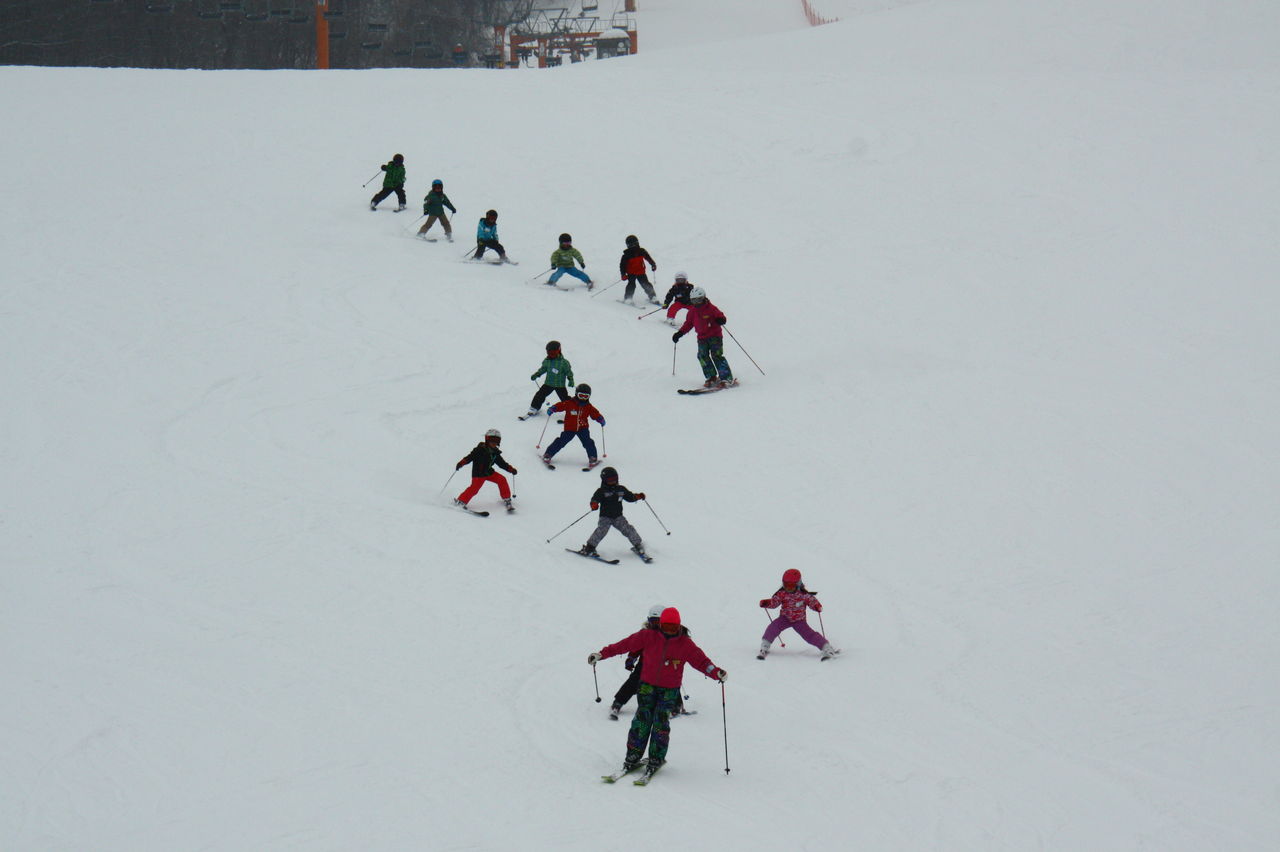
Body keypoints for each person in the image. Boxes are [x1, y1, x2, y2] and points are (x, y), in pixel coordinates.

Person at [589, 607, 726, 776]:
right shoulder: (648, 636)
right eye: (666, 626)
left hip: (669, 690)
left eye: (673, 627)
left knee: (661, 723)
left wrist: (717, 673)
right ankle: (633, 755)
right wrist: (601, 654)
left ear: (679, 626)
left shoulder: (685, 644)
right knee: (641, 721)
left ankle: (656, 758)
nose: (669, 630)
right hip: (647, 686)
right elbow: (623, 645)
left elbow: (702, 662)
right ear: (660, 624)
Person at [758, 568, 839, 660]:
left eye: (791, 586)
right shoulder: (782, 594)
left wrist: (816, 606)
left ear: (798, 584)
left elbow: (812, 601)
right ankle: (765, 646)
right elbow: (774, 602)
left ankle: (826, 648)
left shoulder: (803, 595)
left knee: (810, 635)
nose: (788, 588)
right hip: (784, 618)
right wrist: (766, 603)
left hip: (799, 621)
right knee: (773, 628)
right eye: (786, 585)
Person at [672, 286, 737, 389]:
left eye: (698, 300)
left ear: (703, 298)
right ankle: (711, 377)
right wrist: (679, 333)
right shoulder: (692, 311)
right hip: (701, 338)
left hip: (715, 336)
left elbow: (721, 316)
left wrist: (721, 319)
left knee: (716, 355)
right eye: (694, 300)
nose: (696, 303)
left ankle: (726, 378)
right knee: (702, 356)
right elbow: (688, 324)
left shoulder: (711, 308)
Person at [576, 466, 647, 560]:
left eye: (614, 479)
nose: (612, 481)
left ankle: (638, 545)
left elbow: (630, 497)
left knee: (628, 529)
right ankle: (590, 547)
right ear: (604, 480)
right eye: (610, 480)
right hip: (605, 517)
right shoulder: (601, 491)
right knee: (601, 531)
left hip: (618, 516)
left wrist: (638, 496)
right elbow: (595, 499)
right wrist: (594, 504)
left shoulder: (621, 489)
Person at [609, 604, 664, 718]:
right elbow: (636, 646)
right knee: (634, 681)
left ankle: (676, 705)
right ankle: (618, 702)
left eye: (658, 621)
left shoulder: (668, 635)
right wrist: (631, 658)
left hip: (663, 665)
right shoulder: (645, 633)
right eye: (653, 621)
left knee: (669, 682)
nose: (655, 624)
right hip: (645, 664)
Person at [453, 428, 517, 512]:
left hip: (489, 472)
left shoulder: (495, 453)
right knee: (474, 489)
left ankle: (507, 499)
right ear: (487, 439)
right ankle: (461, 501)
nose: (494, 443)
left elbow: (502, 464)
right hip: (478, 474)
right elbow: (469, 457)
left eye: (496, 441)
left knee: (502, 479)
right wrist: (461, 463)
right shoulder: (479, 450)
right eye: (492, 440)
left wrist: (511, 469)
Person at [543, 383, 604, 466]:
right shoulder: (569, 403)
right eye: (581, 395)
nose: (583, 398)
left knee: (588, 442)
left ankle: (592, 457)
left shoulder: (588, 406)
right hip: (570, 428)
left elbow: (595, 413)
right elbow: (561, 405)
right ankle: (548, 454)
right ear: (576, 394)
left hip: (583, 428)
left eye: (585, 396)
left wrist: (600, 418)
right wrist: (553, 408)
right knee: (561, 441)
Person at [527, 340, 574, 417]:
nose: (551, 355)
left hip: (560, 385)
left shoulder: (564, 362)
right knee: (540, 395)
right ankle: (534, 408)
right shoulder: (547, 361)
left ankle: (573, 410)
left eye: (554, 353)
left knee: (565, 398)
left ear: (559, 351)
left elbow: (568, 372)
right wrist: (537, 374)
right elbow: (543, 369)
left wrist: (571, 380)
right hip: (548, 384)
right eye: (549, 353)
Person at [618, 235, 658, 304]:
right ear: (628, 245)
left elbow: (648, 258)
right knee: (631, 285)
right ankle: (628, 298)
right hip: (631, 273)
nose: (633, 246)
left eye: (635, 244)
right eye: (631, 245)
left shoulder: (641, 251)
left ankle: (653, 297)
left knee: (646, 284)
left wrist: (653, 264)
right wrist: (623, 274)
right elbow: (622, 266)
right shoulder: (626, 255)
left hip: (641, 272)